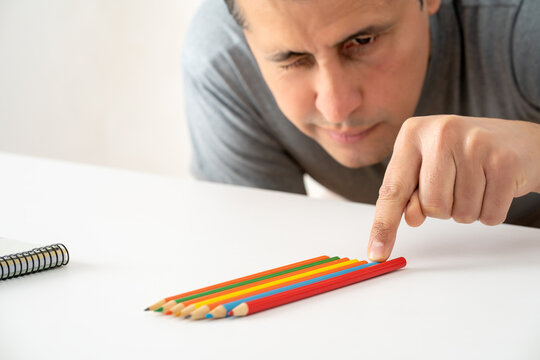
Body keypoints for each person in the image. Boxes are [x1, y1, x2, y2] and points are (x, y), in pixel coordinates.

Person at [182, 0, 540, 261]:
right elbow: (260, 265)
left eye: (364, 41)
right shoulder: (223, 60)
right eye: (291, 59)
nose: (336, 108)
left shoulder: (525, 24)